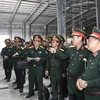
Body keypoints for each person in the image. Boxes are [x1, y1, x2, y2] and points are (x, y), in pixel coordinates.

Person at [49, 27, 91, 100]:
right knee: (71, 97)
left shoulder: (87, 51)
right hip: (70, 81)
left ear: (80, 38)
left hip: (79, 81)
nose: (72, 40)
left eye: (74, 38)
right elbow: (64, 56)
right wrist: (55, 51)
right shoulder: (71, 49)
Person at [76, 27, 100, 100]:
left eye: (90, 41)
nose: (87, 43)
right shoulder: (91, 56)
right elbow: (87, 73)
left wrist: (87, 84)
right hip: (88, 95)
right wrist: (80, 79)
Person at [26, 34, 47, 100]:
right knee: (31, 81)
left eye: (37, 41)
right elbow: (26, 56)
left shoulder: (43, 50)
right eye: (34, 41)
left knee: (39, 82)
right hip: (31, 67)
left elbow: (45, 58)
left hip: (39, 68)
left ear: (40, 42)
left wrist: (40, 59)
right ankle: (30, 92)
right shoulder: (30, 49)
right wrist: (27, 59)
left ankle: (40, 95)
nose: (35, 42)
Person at [45, 35, 64, 100]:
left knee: (60, 86)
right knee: (53, 85)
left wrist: (64, 72)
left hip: (59, 70)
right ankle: (55, 98)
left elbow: (63, 62)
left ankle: (60, 98)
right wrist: (47, 69)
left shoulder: (61, 51)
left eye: (54, 41)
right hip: (52, 70)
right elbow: (48, 61)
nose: (52, 43)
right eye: (52, 41)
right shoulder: (50, 51)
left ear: (58, 43)